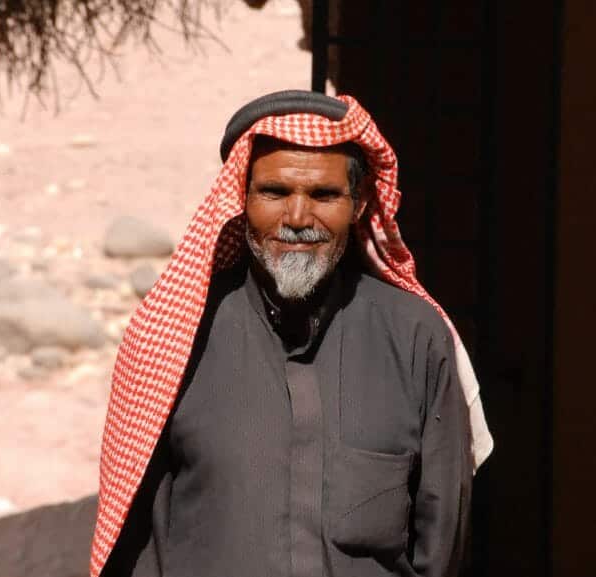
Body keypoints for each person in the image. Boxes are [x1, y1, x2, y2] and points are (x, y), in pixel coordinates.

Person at [89, 90, 493, 577]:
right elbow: (135, 545)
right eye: (275, 192)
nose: (298, 219)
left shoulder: (414, 337)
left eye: (324, 195)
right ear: (241, 199)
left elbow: (442, 538)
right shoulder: (176, 337)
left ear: (360, 204)